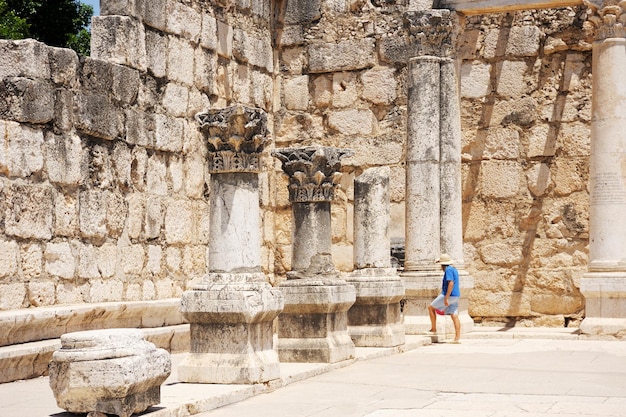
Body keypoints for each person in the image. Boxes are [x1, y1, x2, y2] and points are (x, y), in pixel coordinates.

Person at [427, 253, 461, 343]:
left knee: (430, 308)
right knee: (454, 315)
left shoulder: (448, 270)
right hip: (456, 295)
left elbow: (451, 283)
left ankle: (433, 329)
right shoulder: (454, 269)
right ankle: (457, 338)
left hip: (448, 295)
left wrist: (446, 297)